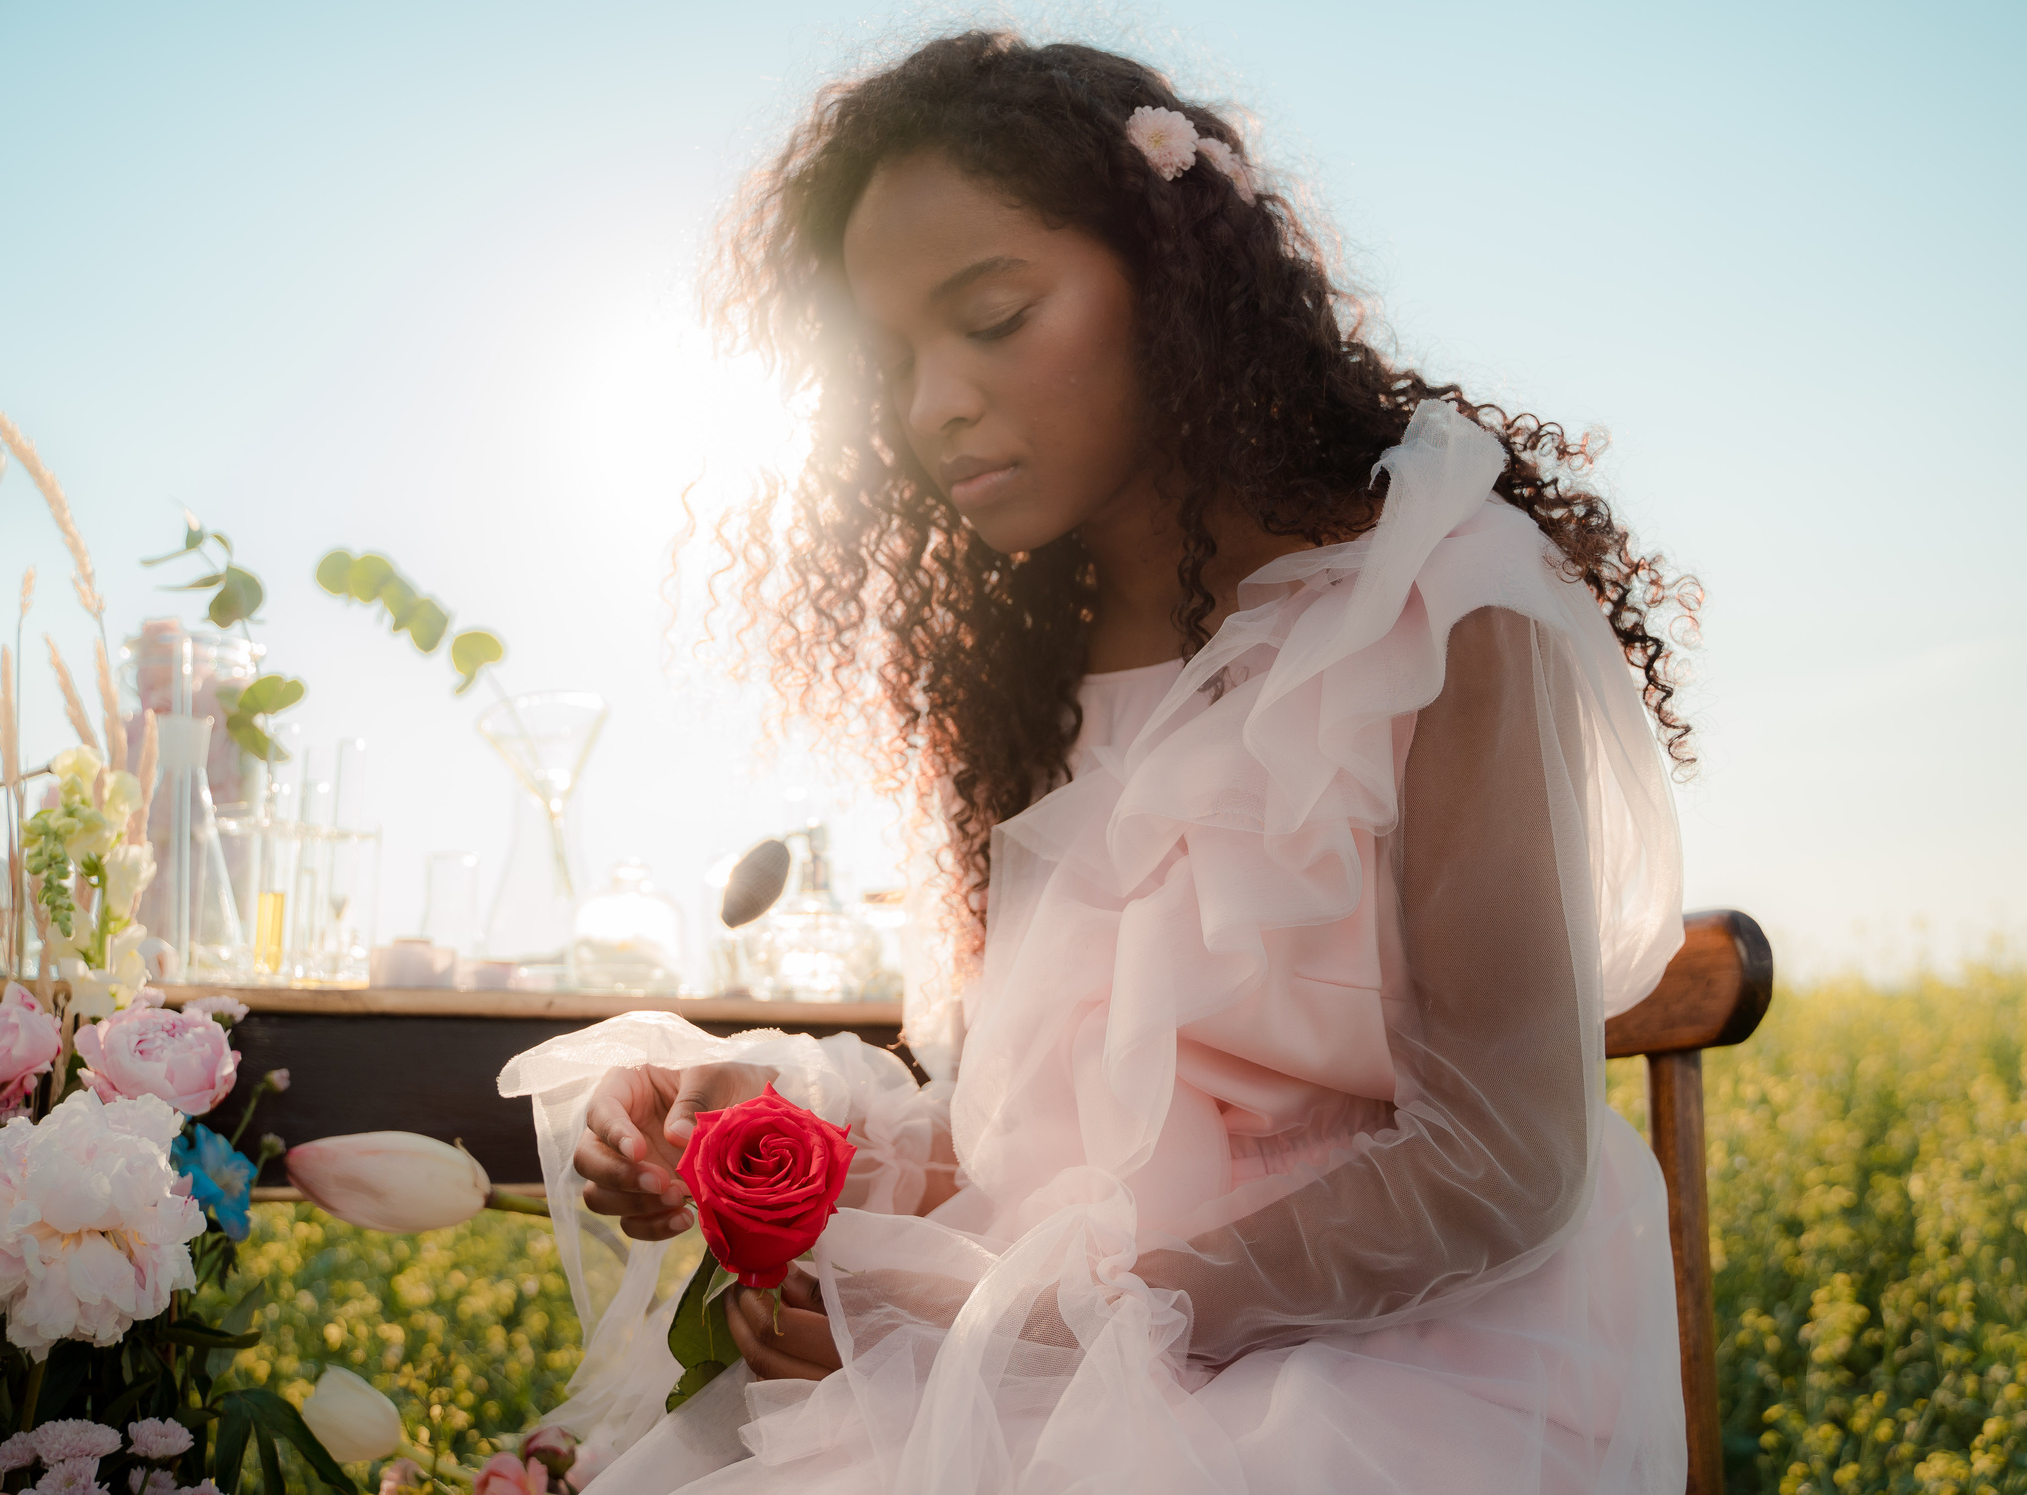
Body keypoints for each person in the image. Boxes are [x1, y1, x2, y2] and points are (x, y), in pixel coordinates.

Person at [501, 31, 1699, 1495]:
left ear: (1179, 289)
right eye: (888, 362)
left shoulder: (1442, 604)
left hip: (1399, 1363)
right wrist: (772, 1134)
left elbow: (1499, 1166)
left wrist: (1025, 1329)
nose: (930, 401)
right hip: (1076, 1345)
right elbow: (1048, 1122)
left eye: (993, 316)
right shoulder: (1027, 666)